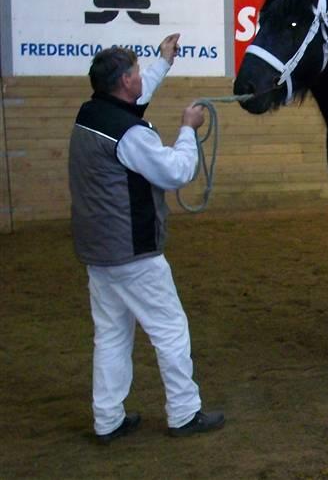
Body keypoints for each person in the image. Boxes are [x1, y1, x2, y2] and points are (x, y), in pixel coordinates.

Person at [68, 33, 224, 443]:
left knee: (112, 335)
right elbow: (175, 172)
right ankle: (184, 413)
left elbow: (135, 99)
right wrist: (188, 130)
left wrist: (163, 62)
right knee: (170, 329)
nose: (141, 78)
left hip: (99, 252)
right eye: (137, 72)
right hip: (133, 251)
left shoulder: (92, 112)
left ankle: (107, 419)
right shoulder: (131, 135)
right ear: (123, 81)